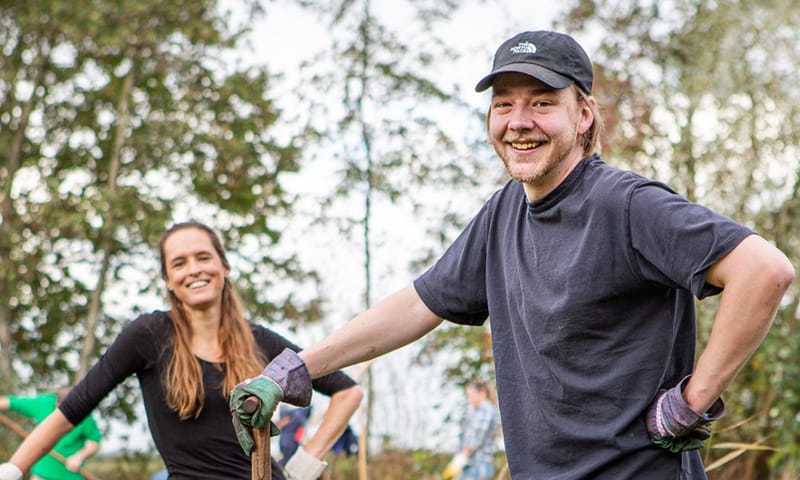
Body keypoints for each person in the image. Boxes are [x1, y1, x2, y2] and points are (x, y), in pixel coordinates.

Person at [228, 30, 795, 479]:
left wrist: (694, 401)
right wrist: (298, 367)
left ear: (584, 115)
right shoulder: (504, 213)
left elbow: (763, 270)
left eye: (543, 103)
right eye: (505, 104)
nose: (519, 122)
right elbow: (417, 305)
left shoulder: (626, 205)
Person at [0, 221, 363, 480]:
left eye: (203, 257)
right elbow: (72, 409)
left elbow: (347, 390)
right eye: (179, 263)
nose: (194, 270)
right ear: (168, 280)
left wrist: (306, 462)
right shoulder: (149, 335)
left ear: (223, 266)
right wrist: (13, 469)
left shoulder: (261, 341)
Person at [0, 388, 101, 480]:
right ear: (56, 402)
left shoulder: (83, 413)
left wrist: (79, 456)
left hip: (70, 477)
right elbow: (12, 402)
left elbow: (95, 443)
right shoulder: (44, 403)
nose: (67, 415)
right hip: (41, 475)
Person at [443, 381, 501, 480]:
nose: (469, 398)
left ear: (482, 392)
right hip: (469, 463)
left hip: (479, 463)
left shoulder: (486, 410)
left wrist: (460, 459)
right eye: (467, 395)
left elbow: (478, 436)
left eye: (471, 395)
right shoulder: (474, 411)